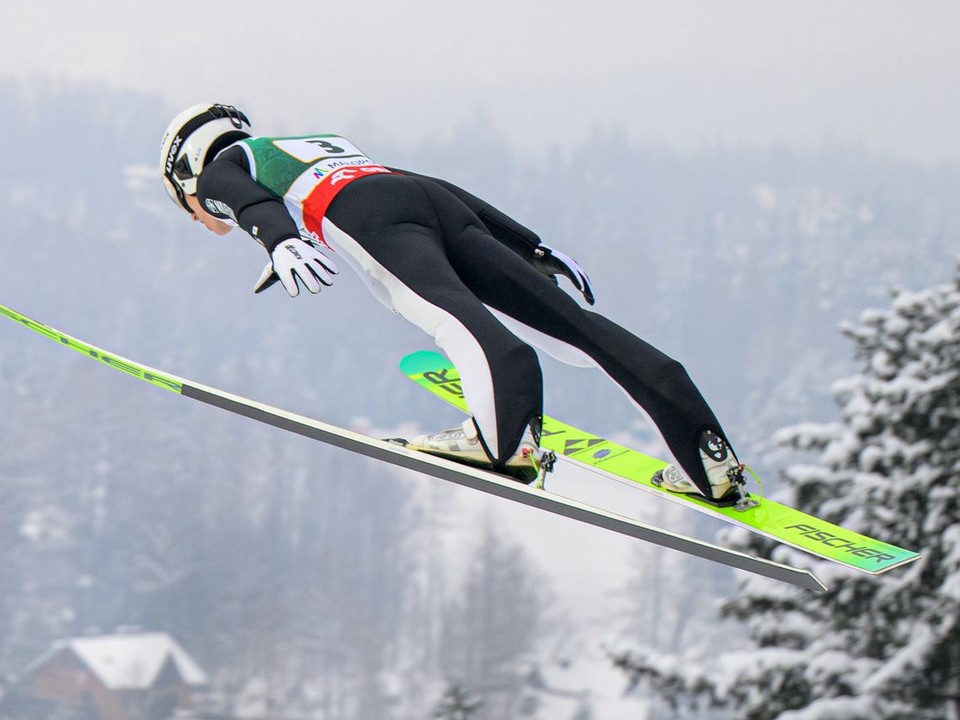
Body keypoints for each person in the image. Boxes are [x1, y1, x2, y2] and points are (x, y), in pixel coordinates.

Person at [159, 102, 746, 503]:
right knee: (577, 329)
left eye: (184, 204)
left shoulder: (221, 168)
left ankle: (502, 441)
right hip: (428, 201)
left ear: (185, 170)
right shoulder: (311, 142)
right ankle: (708, 458)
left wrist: (279, 237)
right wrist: (528, 245)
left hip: (369, 214)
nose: (198, 214)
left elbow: (232, 193)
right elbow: (430, 184)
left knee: (453, 316)